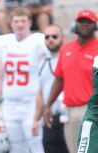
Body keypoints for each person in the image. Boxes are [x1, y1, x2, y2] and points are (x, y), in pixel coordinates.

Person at [0, 7, 49, 153]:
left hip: (31, 103)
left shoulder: (38, 41)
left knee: (35, 143)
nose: (20, 24)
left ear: (30, 22)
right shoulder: (5, 43)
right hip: (10, 104)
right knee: (16, 146)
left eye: (23, 21)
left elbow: (45, 75)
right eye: (16, 21)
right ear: (10, 23)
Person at [44, 9, 98, 153]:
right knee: (75, 150)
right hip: (70, 111)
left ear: (95, 25)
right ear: (76, 23)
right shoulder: (66, 48)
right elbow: (59, 79)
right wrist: (48, 104)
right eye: (82, 21)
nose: (85, 24)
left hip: (92, 109)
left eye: (89, 22)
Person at [31, 25, 68, 153]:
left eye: (54, 36)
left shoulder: (69, 58)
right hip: (50, 118)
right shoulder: (43, 63)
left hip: (67, 116)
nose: (50, 39)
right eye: (47, 37)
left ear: (63, 38)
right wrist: (36, 119)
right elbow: (41, 93)